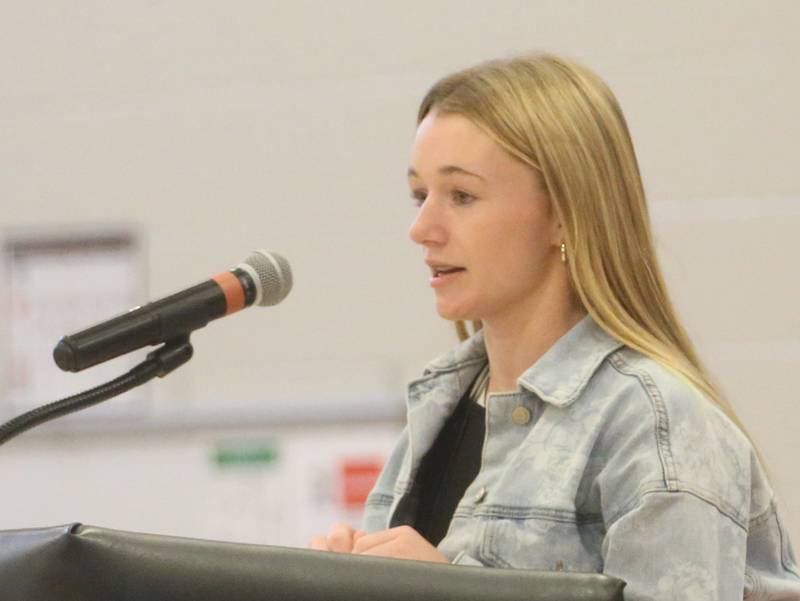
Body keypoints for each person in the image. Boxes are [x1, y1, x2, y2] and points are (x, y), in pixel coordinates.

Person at [310, 53, 800, 600]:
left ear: (564, 212)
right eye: (419, 195)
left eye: (462, 196)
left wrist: (448, 592)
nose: (422, 228)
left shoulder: (654, 423)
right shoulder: (440, 405)